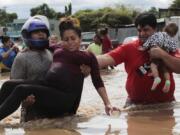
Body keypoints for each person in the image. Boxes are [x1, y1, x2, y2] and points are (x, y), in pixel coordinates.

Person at [0, 17, 116, 121]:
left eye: (73, 38)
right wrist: (27, 47)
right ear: (62, 40)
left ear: (80, 39)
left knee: (20, 89)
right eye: (66, 39)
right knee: (8, 85)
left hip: (64, 96)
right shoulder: (58, 49)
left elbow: (97, 81)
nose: (70, 42)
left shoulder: (87, 56)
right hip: (48, 86)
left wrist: (107, 103)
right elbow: (41, 43)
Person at [96, 12, 180, 107]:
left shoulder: (167, 46)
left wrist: (162, 54)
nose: (142, 34)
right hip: (135, 105)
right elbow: (106, 58)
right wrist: (85, 58)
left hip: (166, 105)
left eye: (146, 30)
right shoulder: (129, 48)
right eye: (139, 30)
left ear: (155, 29)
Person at [10, 15, 53, 122]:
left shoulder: (50, 53)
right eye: (36, 32)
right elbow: (13, 86)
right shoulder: (21, 57)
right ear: (28, 35)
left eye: (43, 31)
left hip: (50, 104)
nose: (41, 34)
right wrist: (24, 102)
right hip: (30, 108)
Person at [139, 22, 178, 92]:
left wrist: (144, 47)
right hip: (165, 54)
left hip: (156, 52)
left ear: (164, 28)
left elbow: (150, 40)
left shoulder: (158, 34)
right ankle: (168, 81)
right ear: (174, 34)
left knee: (153, 65)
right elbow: (174, 48)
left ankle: (156, 78)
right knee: (165, 70)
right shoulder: (172, 40)